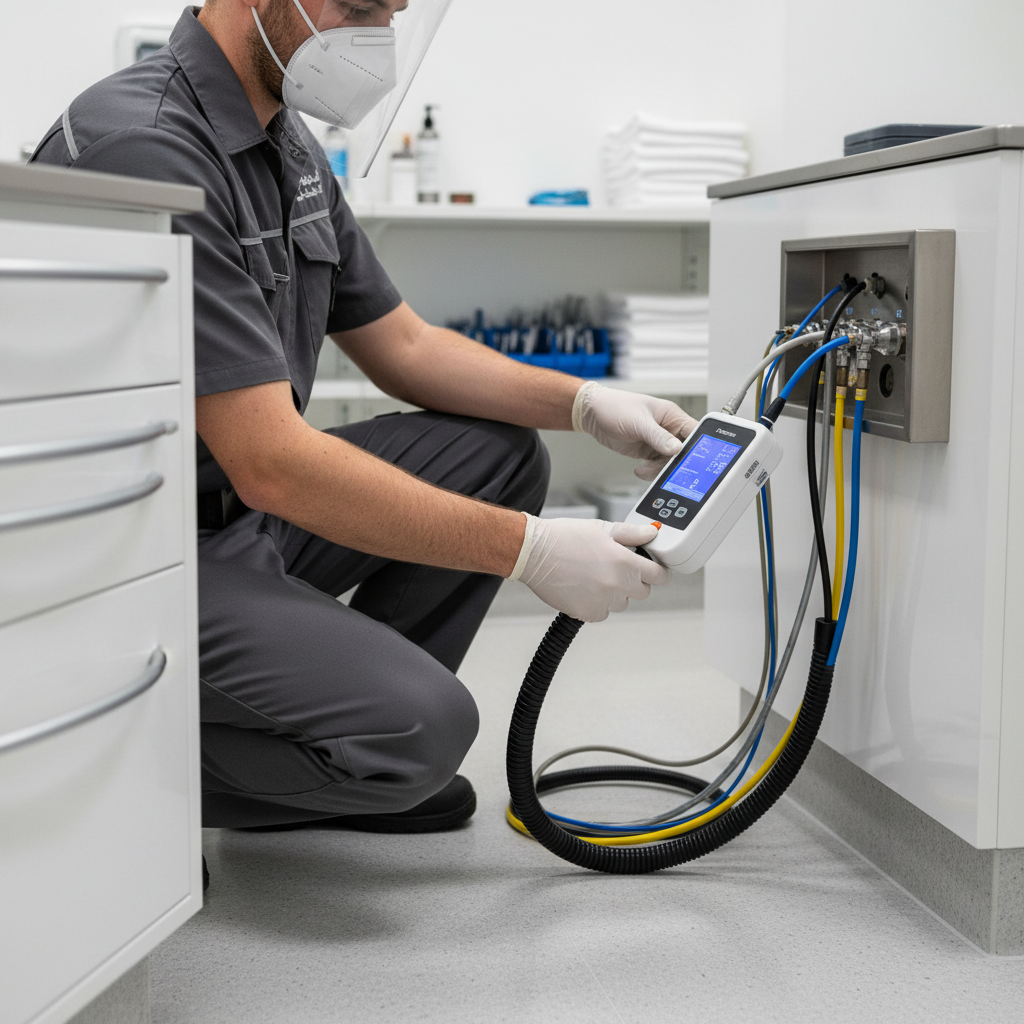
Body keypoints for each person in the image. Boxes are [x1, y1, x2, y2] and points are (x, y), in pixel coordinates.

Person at [32, 0, 697, 839]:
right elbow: (273, 461)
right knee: (423, 732)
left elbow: (407, 346)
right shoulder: (148, 146)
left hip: (239, 522)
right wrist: (529, 549)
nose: (376, 41)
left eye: (391, 13)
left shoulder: (287, 146)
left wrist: (587, 405)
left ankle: (319, 729)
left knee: (500, 456)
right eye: (357, 9)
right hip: (138, 559)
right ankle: (147, 781)